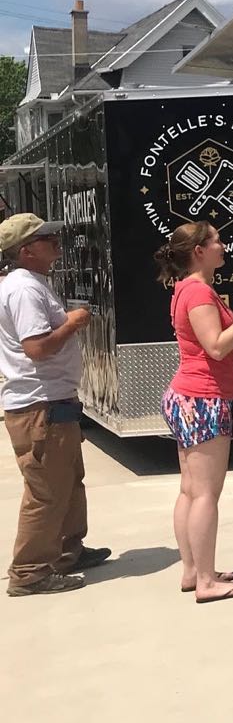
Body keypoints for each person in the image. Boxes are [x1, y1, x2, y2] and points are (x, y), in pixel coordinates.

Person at [155, 220, 233, 604]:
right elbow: (218, 346)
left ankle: (193, 570)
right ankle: (208, 582)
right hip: (203, 399)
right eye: (216, 241)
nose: (223, 246)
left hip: (188, 398)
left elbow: (219, 331)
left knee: (191, 491)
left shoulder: (191, 288)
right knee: (206, 494)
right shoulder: (198, 294)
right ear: (199, 251)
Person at [0, 212, 109, 596]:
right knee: (46, 492)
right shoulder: (24, 290)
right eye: (46, 238)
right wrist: (73, 323)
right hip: (39, 407)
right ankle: (29, 573)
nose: (56, 243)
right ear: (27, 250)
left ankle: (67, 551)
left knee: (67, 482)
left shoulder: (30, 283)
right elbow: (37, 348)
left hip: (52, 403)